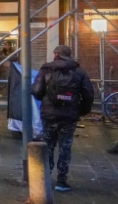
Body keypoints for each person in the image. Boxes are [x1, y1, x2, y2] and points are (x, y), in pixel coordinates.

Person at [31, 45, 95, 192]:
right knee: (65, 147)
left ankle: (45, 177)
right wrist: (81, 111)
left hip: (49, 115)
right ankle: (62, 181)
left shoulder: (46, 70)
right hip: (69, 116)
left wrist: (44, 99)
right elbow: (89, 95)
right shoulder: (80, 72)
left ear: (55, 55)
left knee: (48, 145)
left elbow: (36, 90)